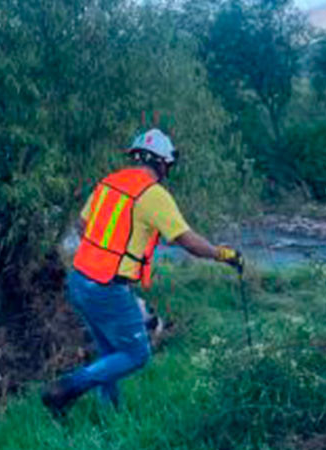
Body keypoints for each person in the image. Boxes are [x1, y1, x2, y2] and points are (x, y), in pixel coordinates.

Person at [41, 128, 243, 417]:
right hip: (107, 287)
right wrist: (222, 254)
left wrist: (106, 250)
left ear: (136, 157)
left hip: (79, 280)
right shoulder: (153, 195)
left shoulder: (109, 183)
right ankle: (65, 389)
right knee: (137, 355)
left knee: (110, 352)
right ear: (162, 163)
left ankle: (109, 414)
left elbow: (82, 226)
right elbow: (187, 240)